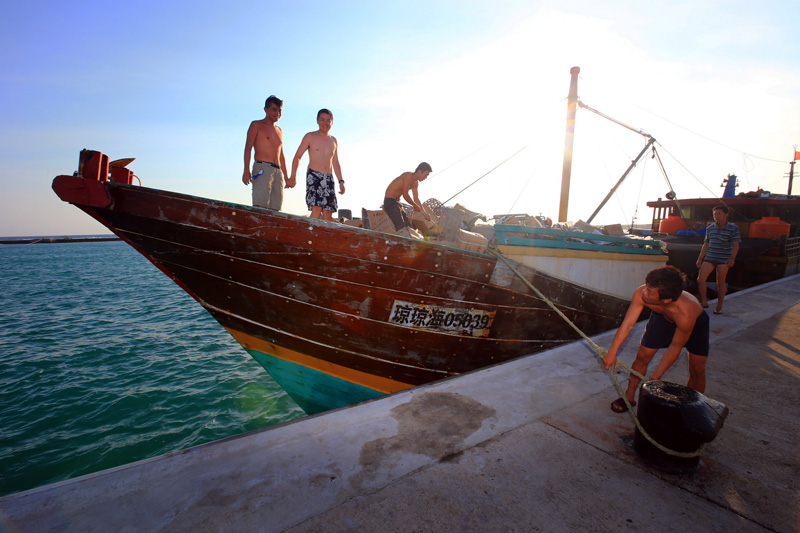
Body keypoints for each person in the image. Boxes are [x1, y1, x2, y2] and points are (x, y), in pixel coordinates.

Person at [602, 265, 710, 413]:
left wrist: (656, 375)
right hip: (662, 318)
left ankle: (693, 406)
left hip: (696, 325)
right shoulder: (641, 293)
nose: (644, 292)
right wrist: (612, 352)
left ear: (666, 300)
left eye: (649, 291)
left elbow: (675, 346)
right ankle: (629, 397)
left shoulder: (686, 314)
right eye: (646, 286)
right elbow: (627, 325)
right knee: (642, 356)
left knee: (697, 368)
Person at [290, 109, 344, 220]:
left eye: (328, 120)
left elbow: (335, 162)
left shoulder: (333, 140)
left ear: (331, 122)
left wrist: (341, 181)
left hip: (328, 177)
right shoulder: (310, 136)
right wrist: (293, 176)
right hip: (314, 176)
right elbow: (297, 156)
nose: (325, 123)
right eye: (322, 119)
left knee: (328, 212)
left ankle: (324, 237)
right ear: (317, 121)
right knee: (316, 209)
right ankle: (309, 236)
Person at [242, 95, 294, 210]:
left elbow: (281, 155)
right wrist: (246, 170)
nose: (277, 113)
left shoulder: (279, 130)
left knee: (276, 209)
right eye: (274, 110)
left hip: (277, 171)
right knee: (261, 206)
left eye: (280, 111)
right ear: (266, 110)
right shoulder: (256, 125)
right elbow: (248, 148)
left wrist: (286, 176)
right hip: (262, 168)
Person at [696, 205, 741, 315]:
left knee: (720, 283)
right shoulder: (710, 228)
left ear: (726, 215)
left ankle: (719, 306)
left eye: (719, 214)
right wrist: (700, 258)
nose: (716, 216)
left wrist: (732, 258)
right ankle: (704, 301)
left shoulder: (733, 228)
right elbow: (706, 244)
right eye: (715, 214)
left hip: (724, 258)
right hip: (710, 256)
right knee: (700, 280)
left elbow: (735, 245)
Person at [383, 163, 432, 231]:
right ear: (420, 171)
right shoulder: (408, 176)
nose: (426, 177)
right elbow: (405, 195)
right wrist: (415, 205)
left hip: (398, 203)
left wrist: (425, 213)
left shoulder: (415, 183)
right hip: (390, 201)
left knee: (408, 227)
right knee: (400, 226)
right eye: (426, 174)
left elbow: (416, 199)